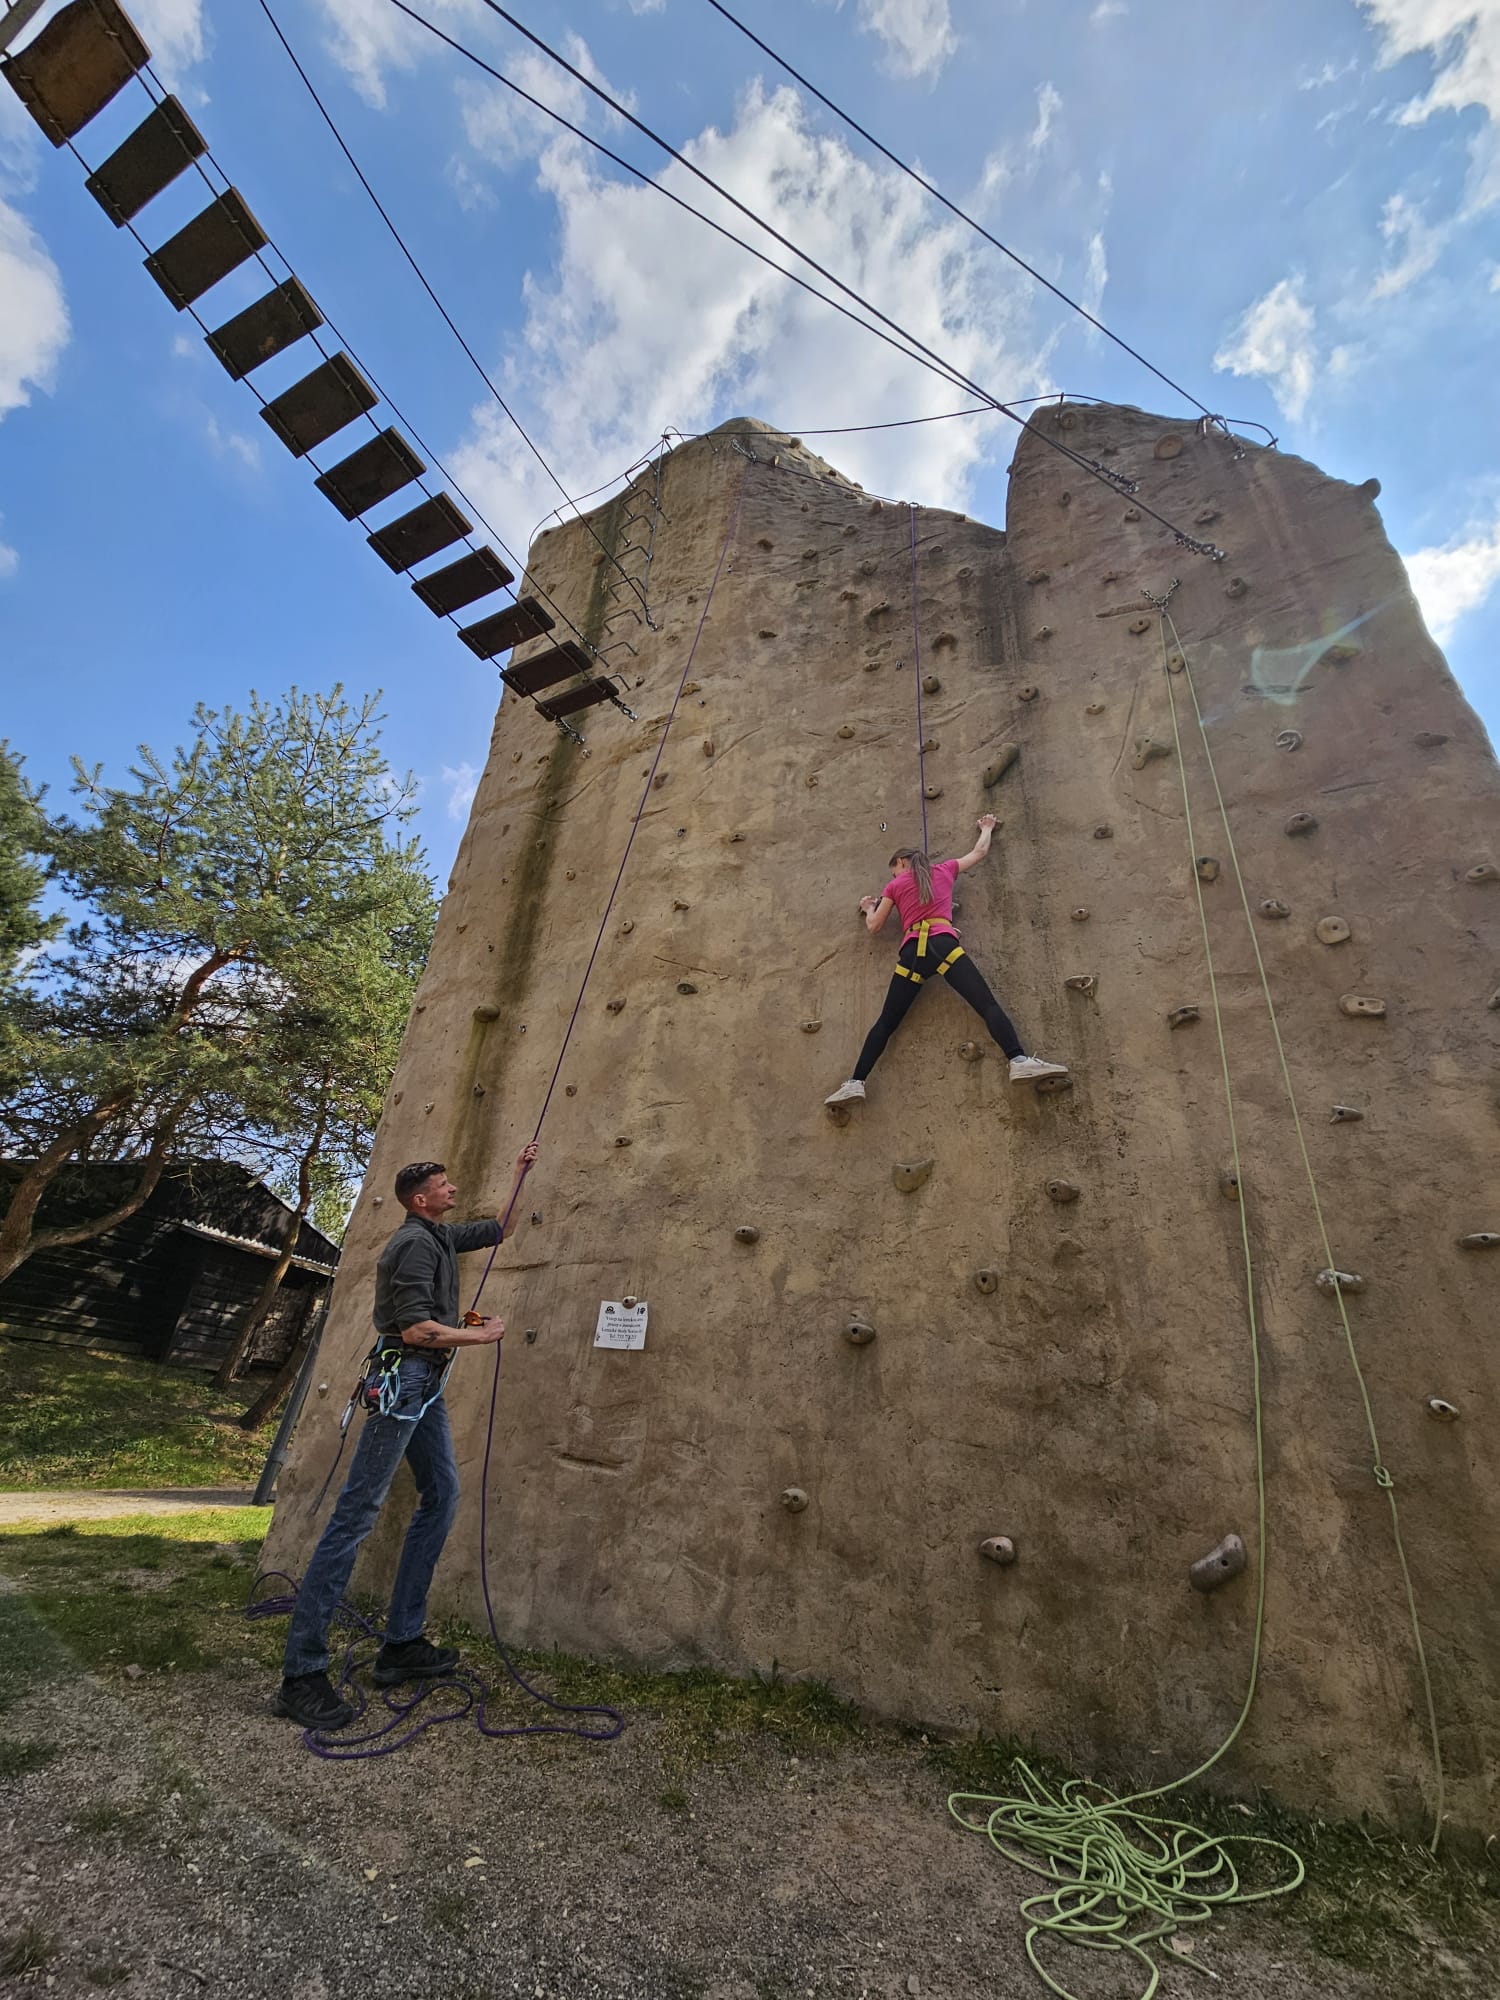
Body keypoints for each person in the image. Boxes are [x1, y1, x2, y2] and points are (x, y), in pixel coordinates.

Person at [273, 1143, 539, 1731]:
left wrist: (521, 1172)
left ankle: (402, 1644)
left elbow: (499, 1229)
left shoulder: (439, 1235)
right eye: (443, 1185)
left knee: (441, 1494)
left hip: (426, 1385)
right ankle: (302, 1674)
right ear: (420, 1200)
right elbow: (417, 1330)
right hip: (404, 1381)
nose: (452, 1189)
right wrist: (481, 1336)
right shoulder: (413, 1244)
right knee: (355, 1515)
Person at [825, 816, 1069, 1105]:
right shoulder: (944, 869)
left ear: (901, 862)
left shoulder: (895, 886)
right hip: (943, 945)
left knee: (886, 1022)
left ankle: (856, 1082)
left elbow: (875, 926)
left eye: (894, 871)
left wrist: (868, 907)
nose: (893, 877)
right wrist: (987, 828)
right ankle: (1017, 1060)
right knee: (986, 1004)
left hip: (912, 953)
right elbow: (979, 852)